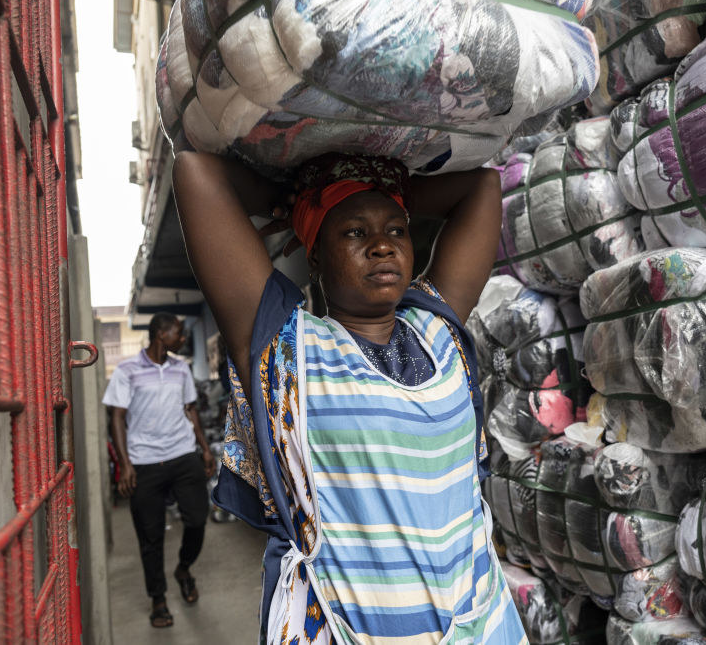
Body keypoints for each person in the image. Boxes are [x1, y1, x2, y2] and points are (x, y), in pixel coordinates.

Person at [172, 151, 528, 644]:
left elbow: (483, 188)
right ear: (314, 253)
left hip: (479, 625)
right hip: (345, 631)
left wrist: (378, 185)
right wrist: (298, 199)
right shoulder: (289, 348)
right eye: (355, 233)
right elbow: (197, 171)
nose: (382, 246)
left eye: (396, 230)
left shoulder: (436, 329)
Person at [103, 312, 218, 628]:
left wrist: (205, 449)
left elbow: (191, 409)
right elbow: (116, 417)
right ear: (160, 335)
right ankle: (158, 600)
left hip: (183, 456)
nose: (182, 338)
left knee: (196, 520)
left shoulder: (181, 369)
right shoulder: (126, 370)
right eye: (178, 333)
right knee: (150, 537)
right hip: (144, 462)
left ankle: (183, 568)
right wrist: (125, 464)